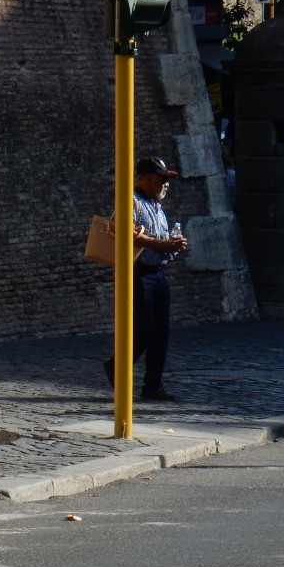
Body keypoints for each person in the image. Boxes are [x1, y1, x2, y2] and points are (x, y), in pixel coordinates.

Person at [103, 157, 188, 401]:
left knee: (161, 330)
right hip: (138, 272)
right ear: (146, 179)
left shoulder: (156, 205)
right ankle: (117, 366)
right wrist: (161, 244)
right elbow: (124, 231)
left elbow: (159, 236)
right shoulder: (132, 200)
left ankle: (153, 385)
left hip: (158, 272)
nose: (166, 185)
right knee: (146, 328)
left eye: (167, 181)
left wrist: (172, 243)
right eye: (162, 180)